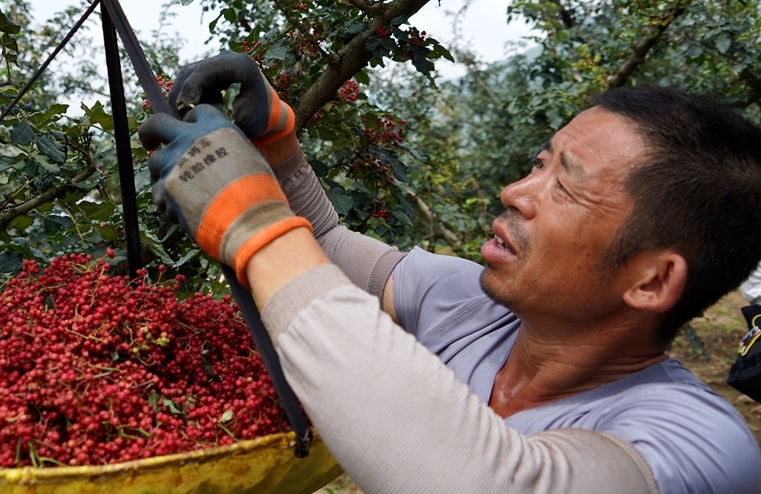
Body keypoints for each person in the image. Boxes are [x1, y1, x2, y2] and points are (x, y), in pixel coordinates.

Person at [138, 53, 761, 494]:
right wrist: (279, 148)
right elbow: (326, 246)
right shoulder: (470, 305)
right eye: (538, 164)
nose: (516, 191)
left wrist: (257, 229)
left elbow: (489, 480)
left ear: (652, 281)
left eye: (564, 185)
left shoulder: (701, 450)